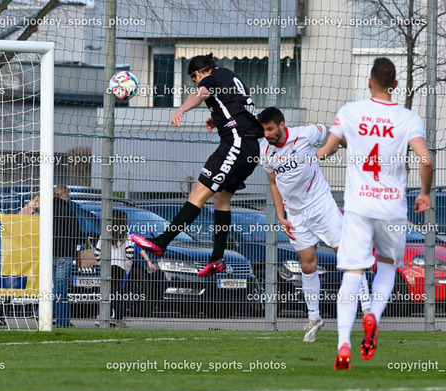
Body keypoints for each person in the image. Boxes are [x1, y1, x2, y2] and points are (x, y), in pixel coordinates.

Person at [317, 57, 433, 370]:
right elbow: (425, 160)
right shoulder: (408, 118)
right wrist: (424, 193)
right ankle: (374, 318)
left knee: (352, 274)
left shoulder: (350, 111)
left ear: (369, 82)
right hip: (392, 208)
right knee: (386, 267)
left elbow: (327, 149)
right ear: (395, 85)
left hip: (358, 207)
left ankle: (343, 345)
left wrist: (321, 151)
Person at [131, 53, 264, 277]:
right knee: (221, 199)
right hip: (251, 147)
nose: (197, 84)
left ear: (198, 74)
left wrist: (181, 109)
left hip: (235, 144)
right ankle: (217, 259)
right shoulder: (229, 75)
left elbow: (200, 94)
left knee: (197, 195)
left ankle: (161, 242)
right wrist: (218, 118)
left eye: (195, 80)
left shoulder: (210, 79)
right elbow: (237, 107)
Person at [257, 107, 371, 342]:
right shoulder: (264, 150)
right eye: (263, 130)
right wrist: (280, 215)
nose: (266, 134)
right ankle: (314, 319)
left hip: (321, 206)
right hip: (295, 215)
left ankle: (368, 310)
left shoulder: (306, 133)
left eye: (270, 129)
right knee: (308, 266)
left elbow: (333, 132)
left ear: (281, 125)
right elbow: (273, 183)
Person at [20, 184, 82, 328]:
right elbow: (76, 233)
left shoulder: (46, 211)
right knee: (60, 287)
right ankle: (46, 313)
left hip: (48, 253)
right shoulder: (68, 211)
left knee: (53, 286)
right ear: (65, 196)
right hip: (64, 254)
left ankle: (60, 319)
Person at [94, 209, 135, 329]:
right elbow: (130, 252)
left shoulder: (105, 234)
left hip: (107, 267)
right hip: (120, 267)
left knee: (106, 291)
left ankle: (103, 315)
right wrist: (127, 265)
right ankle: (117, 317)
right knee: (117, 292)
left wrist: (101, 263)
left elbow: (97, 252)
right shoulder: (126, 236)